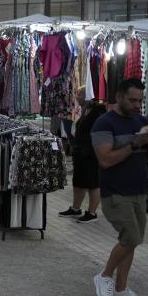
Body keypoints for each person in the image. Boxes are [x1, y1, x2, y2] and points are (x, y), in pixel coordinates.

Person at [91, 78, 148, 296]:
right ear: (119, 97)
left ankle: (121, 289)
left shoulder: (141, 121)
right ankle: (105, 275)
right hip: (115, 193)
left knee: (131, 242)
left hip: (138, 191)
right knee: (131, 238)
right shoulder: (104, 123)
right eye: (133, 100)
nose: (138, 105)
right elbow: (105, 160)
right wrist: (135, 143)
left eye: (140, 100)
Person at [59, 92, 105, 223]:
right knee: (78, 181)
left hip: (91, 153)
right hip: (81, 152)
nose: (76, 97)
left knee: (92, 182)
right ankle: (75, 208)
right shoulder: (86, 109)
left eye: (80, 95)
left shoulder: (98, 111)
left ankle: (92, 212)